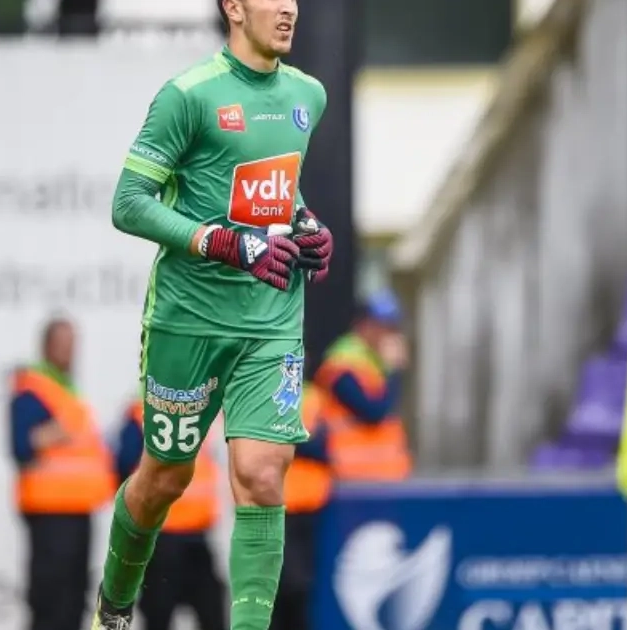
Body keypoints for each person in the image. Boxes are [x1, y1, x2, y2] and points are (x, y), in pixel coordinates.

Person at [90, 0, 335, 628]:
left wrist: (306, 223)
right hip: (190, 319)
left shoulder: (308, 94)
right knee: (164, 479)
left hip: (270, 318)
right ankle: (114, 607)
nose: (289, 8)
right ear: (233, 7)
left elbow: (278, 189)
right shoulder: (189, 96)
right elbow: (128, 203)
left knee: (262, 473)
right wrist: (220, 242)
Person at [10, 318, 117, 630]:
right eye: (62, 344)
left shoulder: (66, 391)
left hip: (78, 512)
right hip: (50, 514)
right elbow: (21, 446)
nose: (69, 352)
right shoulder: (34, 390)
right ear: (47, 346)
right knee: (50, 603)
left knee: (73, 602)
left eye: (72, 345)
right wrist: (53, 433)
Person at [115, 401, 227, 630]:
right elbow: (123, 468)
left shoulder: (203, 412)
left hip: (197, 535)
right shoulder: (141, 416)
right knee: (159, 612)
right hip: (160, 538)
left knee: (211, 611)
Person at [314, 290, 413, 483]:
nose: (388, 335)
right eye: (382, 326)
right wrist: (394, 371)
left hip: (384, 474)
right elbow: (373, 412)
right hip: (350, 475)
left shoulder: (375, 362)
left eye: (392, 327)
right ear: (363, 325)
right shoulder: (342, 363)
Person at [270, 382, 331, 630]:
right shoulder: (263, 392)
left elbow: (322, 447)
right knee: (284, 587)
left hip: (312, 505)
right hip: (276, 507)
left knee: (303, 588)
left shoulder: (313, 395)